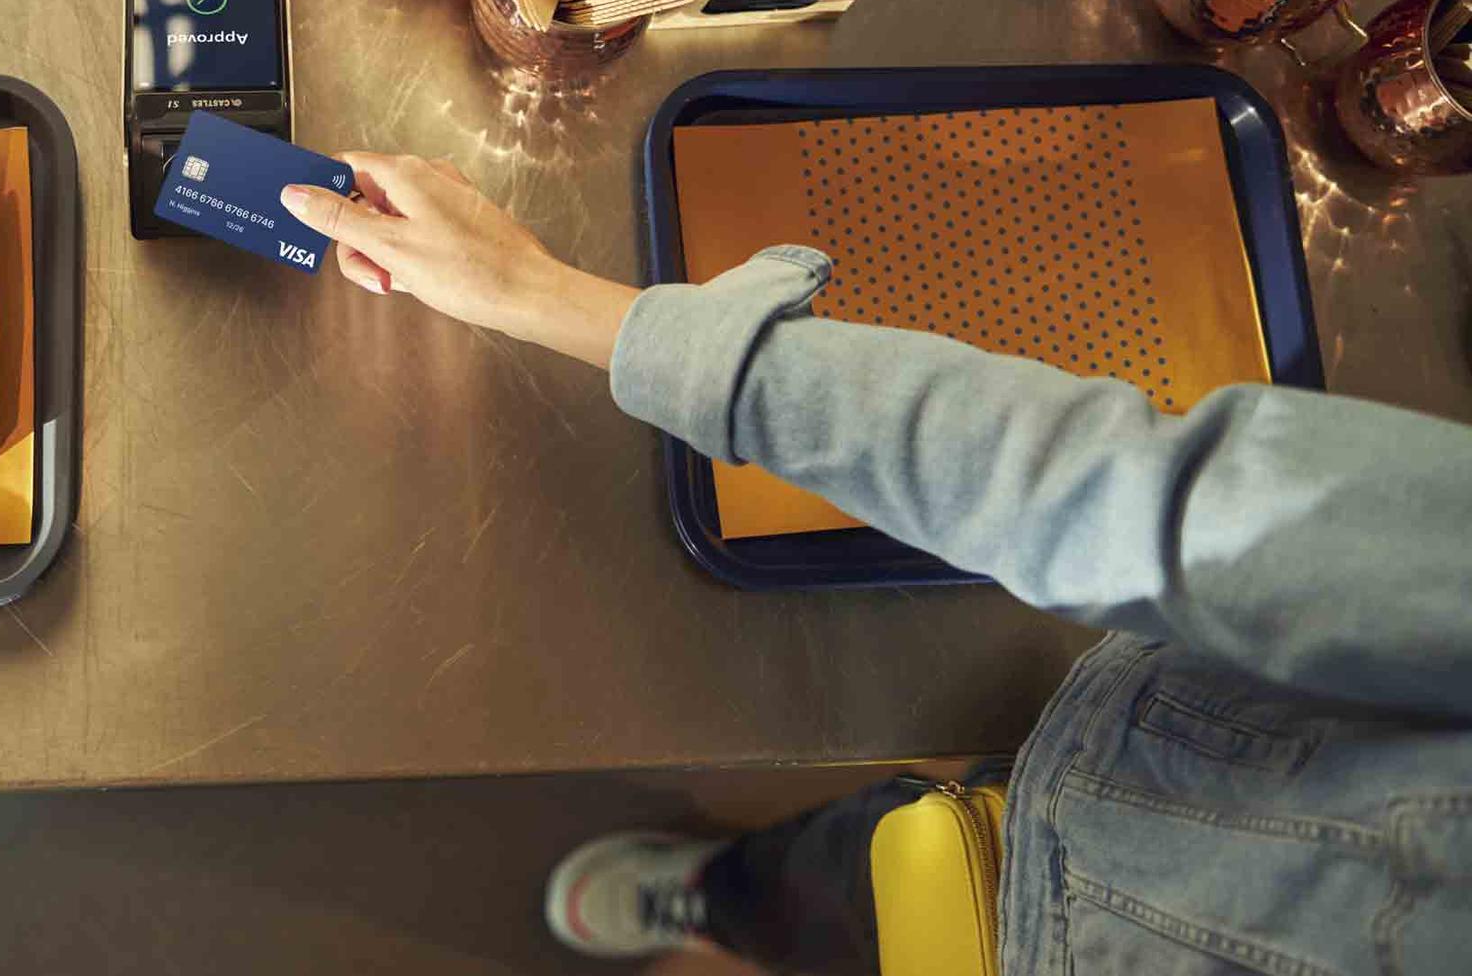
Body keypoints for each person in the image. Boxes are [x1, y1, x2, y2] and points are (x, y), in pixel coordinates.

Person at [279, 157, 1472, 975]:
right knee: (839, 871)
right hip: (1142, 765)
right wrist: (541, 294)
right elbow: (1114, 493)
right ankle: (726, 890)